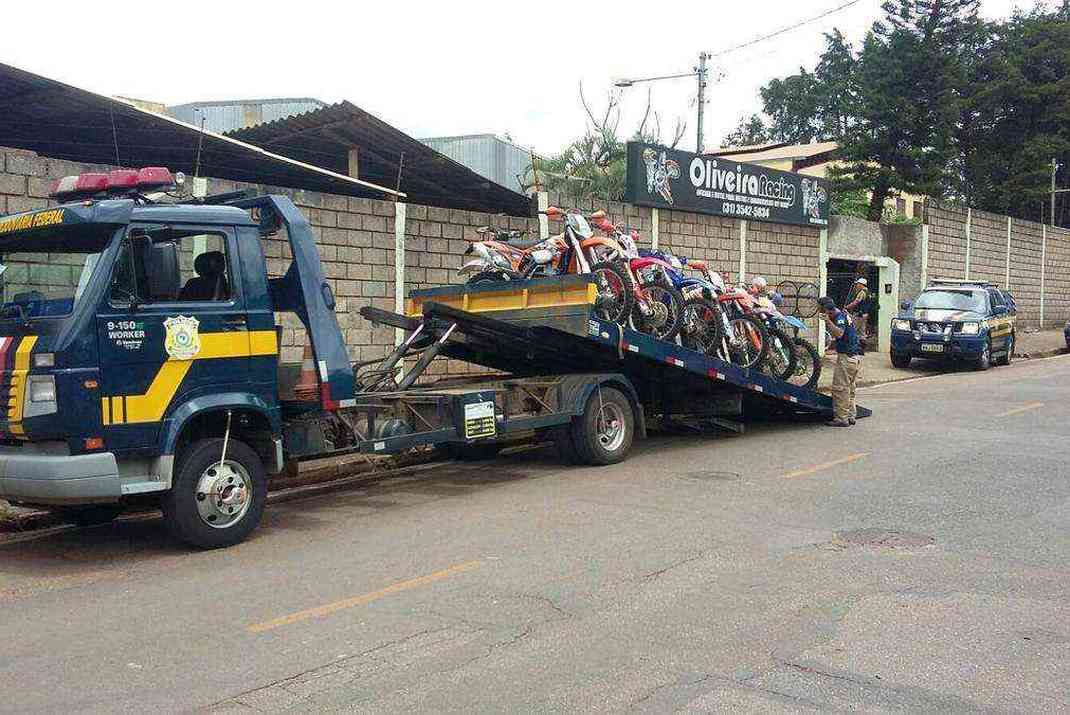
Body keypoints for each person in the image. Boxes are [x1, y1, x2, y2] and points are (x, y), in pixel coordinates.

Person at [818, 296, 863, 427]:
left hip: (846, 358)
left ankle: (841, 418)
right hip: (854, 358)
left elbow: (839, 334)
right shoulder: (843, 314)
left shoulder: (839, 318)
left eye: (820, 309)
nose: (818, 311)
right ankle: (851, 415)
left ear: (826, 310)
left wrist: (828, 322)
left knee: (840, 389)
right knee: (850, 388)